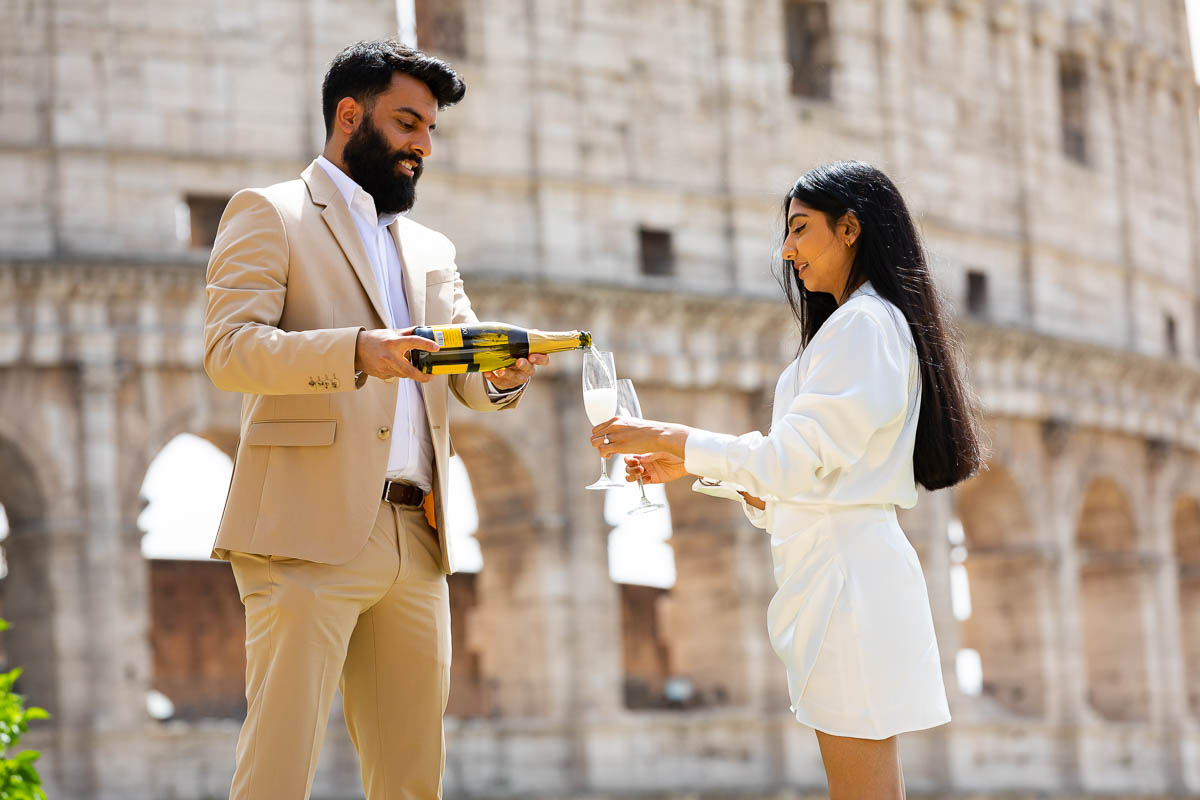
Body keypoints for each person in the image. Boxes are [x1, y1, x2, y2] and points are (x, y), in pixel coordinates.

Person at [202, 40, 546, 800]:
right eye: (407, 123)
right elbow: (230, 352)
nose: (422, 145)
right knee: (276, 776)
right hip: (302, 536)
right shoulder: (271, 212)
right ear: (349, 115)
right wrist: (359, 349)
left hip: (416, 539)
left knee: (413, 780)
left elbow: (463, 371)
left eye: (430, 131)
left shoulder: (431, 247)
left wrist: (501, 377)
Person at [590, 161, 985, 800]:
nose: (786, 249)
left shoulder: (862, 325)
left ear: (850, 228)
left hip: (845, 581)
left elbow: (791, 462)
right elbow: (804, 481)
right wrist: (697, 467)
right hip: (843, 569)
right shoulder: (865, 324)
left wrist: (675, 441)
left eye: (800, 229)